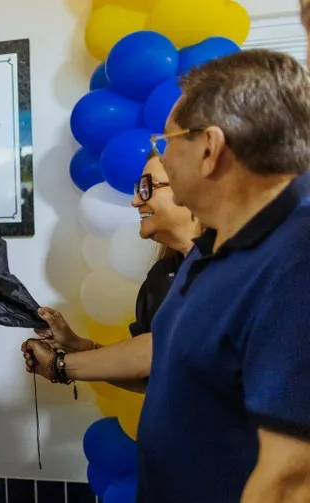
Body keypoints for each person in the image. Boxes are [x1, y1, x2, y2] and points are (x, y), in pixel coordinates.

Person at [121, 50, 310, 502]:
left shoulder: (295, 260)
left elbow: (289, 479)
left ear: (210, 148)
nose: (162, 159)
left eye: (167, 143)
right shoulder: (212, 248)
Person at [22, 153, 200, 391]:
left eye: (147, 187)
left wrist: (60, 364)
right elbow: (147, 374)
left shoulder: (233, 267)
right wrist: (76, 344)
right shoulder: (161, 275)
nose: (135, 201)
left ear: (195, 191)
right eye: (138, 188)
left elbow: (158, 351)